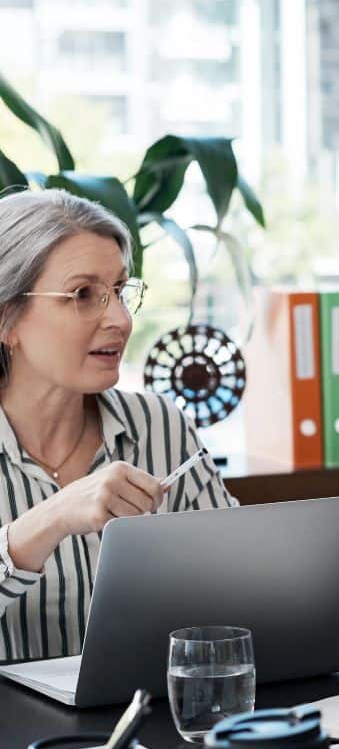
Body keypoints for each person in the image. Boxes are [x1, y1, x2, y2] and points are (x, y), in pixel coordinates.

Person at [0, 189, 234, 663]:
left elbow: (240, 587)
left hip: (149, 723)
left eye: (121, 291)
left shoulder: (160, 426)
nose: (120, 320)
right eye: (83, 295)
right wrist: (48, 520)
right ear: (8, 320)